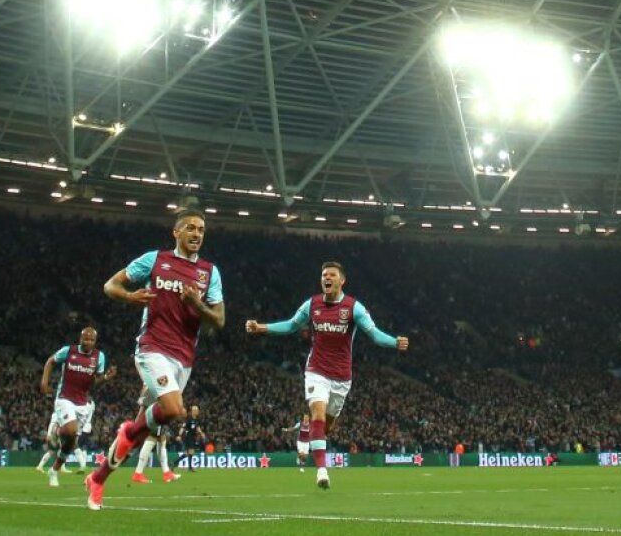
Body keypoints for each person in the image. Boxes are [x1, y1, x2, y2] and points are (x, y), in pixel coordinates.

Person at [85, 209, 224, 511]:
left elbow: (219, 320)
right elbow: (110, 286)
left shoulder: (209, 273)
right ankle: (126, 434)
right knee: (174, 409)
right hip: (152, 347)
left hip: (184, 358)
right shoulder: (155, 260)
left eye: (201, 229)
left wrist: (196, 303)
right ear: (176, 232)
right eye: (191, 228)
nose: (197, 234)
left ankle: (97, 478)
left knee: (140, 431)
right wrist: (130, 297)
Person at [246, 261, 408, 490]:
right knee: (318, 414)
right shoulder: (312, 304)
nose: (327, 278)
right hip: (317, 371)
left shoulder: (354, 308)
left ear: (342, 280)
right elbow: (291, 325)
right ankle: (322, 470)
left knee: (326, 427)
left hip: (342, 377)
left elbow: (374, 334)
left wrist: (394, 342)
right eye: (324, 275)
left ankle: (311, 437)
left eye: (331, 275)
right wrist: (261, 328)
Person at [38, 326, 116, 486]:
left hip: (82, 403)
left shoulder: (99, 357)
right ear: (80, 339)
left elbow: (95, 382)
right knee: (71, 431)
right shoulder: (68, 351)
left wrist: (106, 378)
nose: (88, 342)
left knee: (70, 442)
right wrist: (44, 381)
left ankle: (54, 469)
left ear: (95, 341)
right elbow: (50, 362)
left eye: (91, 340)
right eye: (85, 339)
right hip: (64, 398)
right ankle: (60, 430)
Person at [131, 386, 178, 484]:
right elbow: (144, 404)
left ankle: (166, 472)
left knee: (162, 441)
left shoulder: (151, 388)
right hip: (154, 417)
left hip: (156, 416)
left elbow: (142, 403)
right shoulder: (153, 388)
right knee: (151, 440)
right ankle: (138, 473)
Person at [173, 404, 206, 472]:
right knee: (191, 452)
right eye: (196, 410)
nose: (197, 411)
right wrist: (179, 435)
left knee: (187, 453)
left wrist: (201, 433)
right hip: (188, 437)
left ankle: (175, 462)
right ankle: (189, 467)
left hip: (192, 437)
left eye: (197, 410)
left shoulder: (196, 419)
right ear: (193, 411)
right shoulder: (189, 419)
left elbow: (197, 427)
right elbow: (183, 427)